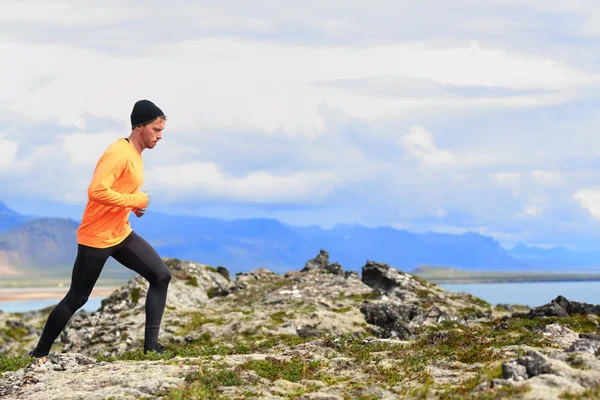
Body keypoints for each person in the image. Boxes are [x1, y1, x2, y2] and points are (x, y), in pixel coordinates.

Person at [26, 99, 172, 357]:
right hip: (96, 237)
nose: (160, 136)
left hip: (120, 232)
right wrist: (134, 200)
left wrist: (133, 205)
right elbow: (96, 190)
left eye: (162, 131)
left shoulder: (136, 155)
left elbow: (119, 189)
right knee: (78, 298)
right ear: (140, 126)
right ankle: (38, 354)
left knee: (161, 275)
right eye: (156, 130)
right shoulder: (119, 153)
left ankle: (151, 348)